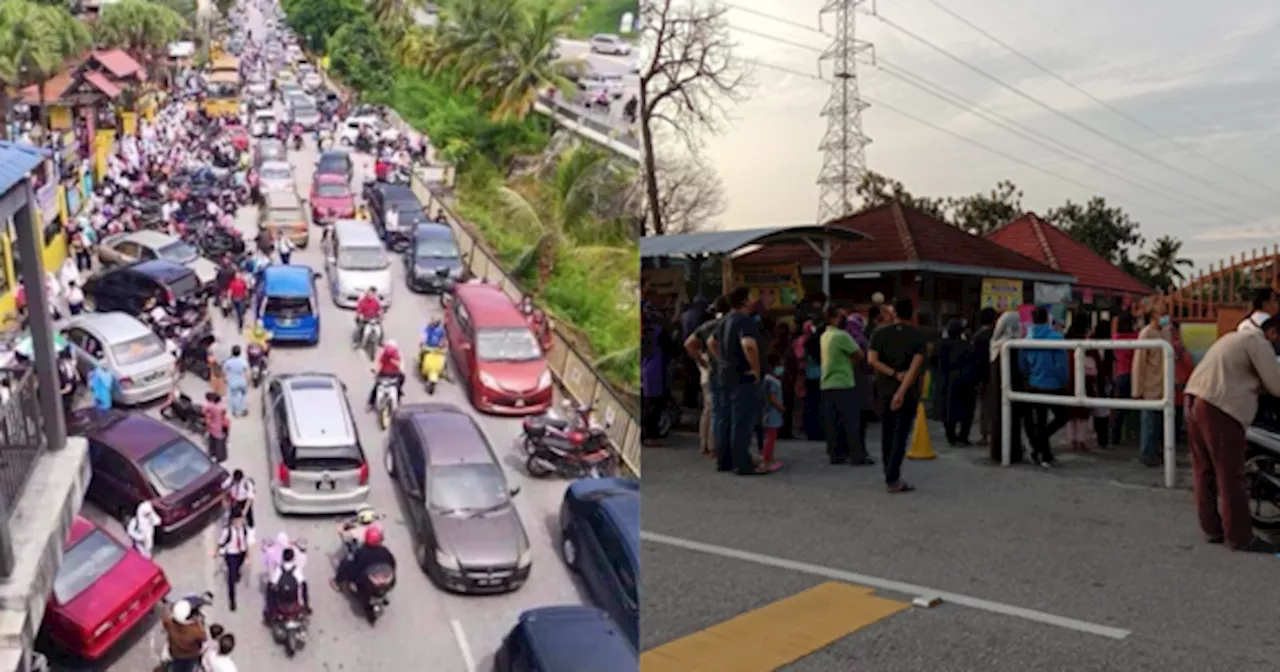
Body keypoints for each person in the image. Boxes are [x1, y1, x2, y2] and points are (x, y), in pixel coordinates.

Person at [1184, 316, 1280, 553]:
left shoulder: (1234, 337)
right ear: (1274, 332)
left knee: (1204, 470)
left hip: (1196, 399)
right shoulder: (1258, 344)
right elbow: (1277, 385)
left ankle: (1212, 529)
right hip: (1221, 408)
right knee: (1230, 475)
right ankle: (1240, 537)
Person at [706, 286, 772, 476]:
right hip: (743, 376)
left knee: (725, 418)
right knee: (741, 421)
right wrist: (756, 369)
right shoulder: (745, 321)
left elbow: (711, 341)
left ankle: (724, 460)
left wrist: (721, 360)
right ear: (745, 301)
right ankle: (742, 463)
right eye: (752, 296)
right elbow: (748, 345)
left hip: (725, 374)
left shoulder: (726, 319)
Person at [867, 298, 927, 493]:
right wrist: (901, 390)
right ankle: (893, 477)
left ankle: (888, 472)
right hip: (907, 393)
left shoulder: (880, 333)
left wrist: (892, 373)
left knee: (887, 432)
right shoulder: (918, 337)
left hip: (883, 388)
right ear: (912, 314)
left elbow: (872, 360)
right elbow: (915, 367)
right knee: (900, 435)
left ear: (894, 312)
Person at [819, 305, 872, 466]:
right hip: (844, 382)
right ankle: (857, 455)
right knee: (851, 421)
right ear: (834, 318)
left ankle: (836, 454)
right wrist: (851, 363)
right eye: (841, 316)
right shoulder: (842, 336)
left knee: (833, 422)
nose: (844, 320)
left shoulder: (825, 335)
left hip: (827, 383)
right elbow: (859, 354)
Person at [1018, 306, 1069, 467]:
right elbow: (1062, 365)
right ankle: (1043, 448)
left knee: (1039, 420)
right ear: (1047, 319)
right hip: (1054, 384)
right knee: (1061, 417)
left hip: (1034, 383)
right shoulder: (1056, 339)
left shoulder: (1026, 340)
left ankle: (1041, 451)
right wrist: (1063, 380)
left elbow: (1022, 365)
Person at [684, 297, 728, 458]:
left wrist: (701, 361)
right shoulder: (721, 326)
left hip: (707, 369)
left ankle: (705, 444)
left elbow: (689, 344)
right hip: (718, 370)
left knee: (708, 408)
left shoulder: (705, 326)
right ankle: (713, 445)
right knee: (716, 409)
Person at [1131, 301, 1171, 467]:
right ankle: (1146, 454)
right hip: (1149, 385)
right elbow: (1139, 363)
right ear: (1154, 316)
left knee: (1160, 424)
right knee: (1149, 424)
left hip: (1164, 385)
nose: (1166, 317)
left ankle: (1156, 452)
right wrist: (1137, 389)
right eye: (1163, 313)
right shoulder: (1146, 334)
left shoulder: (1165, 333)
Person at [937, 318, 977, 447]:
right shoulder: (968, 345)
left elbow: (933, 361)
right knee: (967, 410)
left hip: (946, 380)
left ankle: (951, 436)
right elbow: (975, 363)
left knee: (948, 409)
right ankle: (963, 436)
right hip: (966, 381)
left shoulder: (941, 345)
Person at [332, 524, 396, 603]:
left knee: (346, 562)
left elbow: (354, 565)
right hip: (382, 580)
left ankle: (336, 582)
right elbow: (393, 564)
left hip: (365, 581)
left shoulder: (361, 552)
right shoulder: (384, 551)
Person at [214, 507, 253, 612]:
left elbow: (247, 543)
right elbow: (220, 542)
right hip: (231, 554)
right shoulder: (227, 531)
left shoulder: (244, 529)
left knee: (237, 569)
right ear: (232, 520)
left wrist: (248, 556)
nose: (239, 522)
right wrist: (216, 551)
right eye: (236, 520)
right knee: (231, 579)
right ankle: (232, 600)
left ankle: (236, 573)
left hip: (241, 553)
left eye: (240, 519)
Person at [1109, 313, 1140, 444]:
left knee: (1119, 408)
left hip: (1120, 375)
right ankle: (1136, 433)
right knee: (1138, 406)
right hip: (1134, 374)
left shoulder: (1115, 338)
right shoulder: (1136, 338)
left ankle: (1115, 435)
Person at [970, 308, 997, 445]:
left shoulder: (976, 337)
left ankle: (984, 434)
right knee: (995, 406)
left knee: (984, 407)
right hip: (995, 375)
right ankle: (995, 434)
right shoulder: (996, 336)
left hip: (981, 376)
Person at [160, 600, 207, 672]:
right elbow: (204, 637)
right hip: (190, 656)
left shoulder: (169, 623)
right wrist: (199, 622)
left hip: (175, 654)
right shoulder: (195, 631)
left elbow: (165, 615)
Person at [265, 547, 309, 622]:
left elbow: (272, 583)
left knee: (270, 589)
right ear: (293, 558)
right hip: (293, 599)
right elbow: (303, 584)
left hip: (282, 599)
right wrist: (305, 603)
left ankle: (270, 613)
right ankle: (306, 607)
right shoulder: (296, 570)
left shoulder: (279, 569)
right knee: (304, 587)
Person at [760, 353, 785, 471]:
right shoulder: (772, 381)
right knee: (770, 437)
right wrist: (781, 407)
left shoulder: (769, 379)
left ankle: (769, 457)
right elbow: (772, 397)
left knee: (770, 437)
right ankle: (767, 459)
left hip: (770, 413)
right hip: (772, 413)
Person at [367, 338, 405, 410]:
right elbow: (401, 367)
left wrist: (375, 373)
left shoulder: (384, 354)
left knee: (375, 388)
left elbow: (378, 365)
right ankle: (399, 397)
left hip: (387, 376)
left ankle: (370, 403)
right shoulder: (396, 354)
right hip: (391, 376)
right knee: (398, 386)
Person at [222, 345, 250, 417]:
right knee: (243, 396)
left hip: (232, 382)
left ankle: (235, 411)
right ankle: (243, 410)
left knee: (233, 396)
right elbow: (246, 372)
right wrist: (247, 381)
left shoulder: (228, 362)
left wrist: (225, 379)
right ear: (240, 353)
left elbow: (224, 371)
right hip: (242, 381)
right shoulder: (243, 361)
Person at [203, 392, 230, 463]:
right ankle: (220, 456)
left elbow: (204, 410)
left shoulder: (212, 406)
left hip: (216, 427)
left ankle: (217, 456)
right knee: (220, 442)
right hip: (224, 425)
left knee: (216, 442)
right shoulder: (221, 406)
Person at [57, 348, 80, 418]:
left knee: (66, 406)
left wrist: (58, 392)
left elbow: (68, 388)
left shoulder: (65, 366)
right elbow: (77, 376)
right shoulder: (68, 363)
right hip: (70, 384)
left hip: (68, 388)